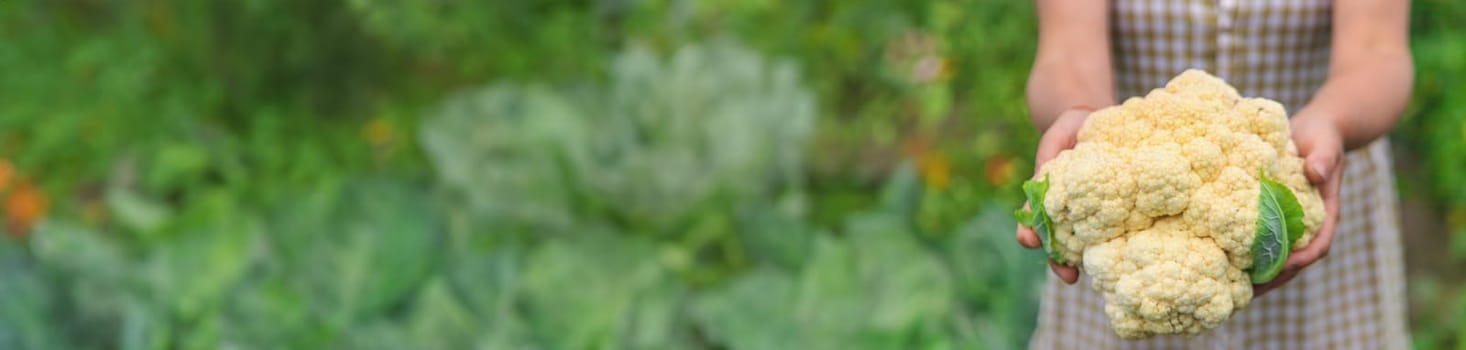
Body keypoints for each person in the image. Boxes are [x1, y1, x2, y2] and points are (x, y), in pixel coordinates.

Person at [1017, 0, 1414, 348]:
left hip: (1318, 189)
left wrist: (1333, 122)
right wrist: (1085, 121)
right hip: (1125, 248)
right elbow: (1064, 56)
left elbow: (1378, 54)